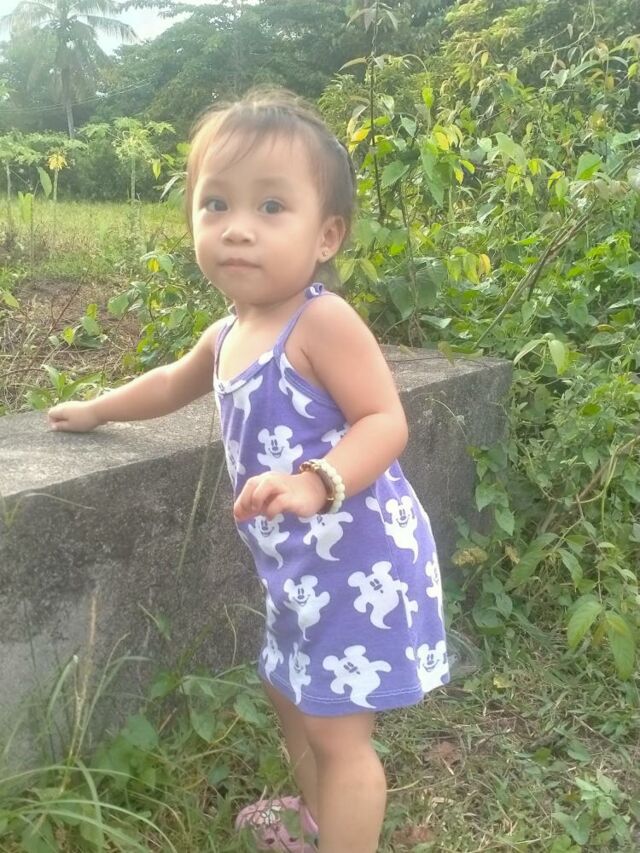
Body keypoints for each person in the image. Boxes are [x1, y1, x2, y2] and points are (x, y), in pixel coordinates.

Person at [47, 88, 449, 853]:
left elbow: (384, 420)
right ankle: (313, 818)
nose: (237, 227)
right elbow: (171, 382)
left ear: (326, 235)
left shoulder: (320, 320)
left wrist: (315, 480)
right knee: (285, 687)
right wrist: (97, 407)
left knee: (340, 735)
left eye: (271, 206)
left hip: (358, 560)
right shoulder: (229, 331)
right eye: (216, 203)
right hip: (296, 567)